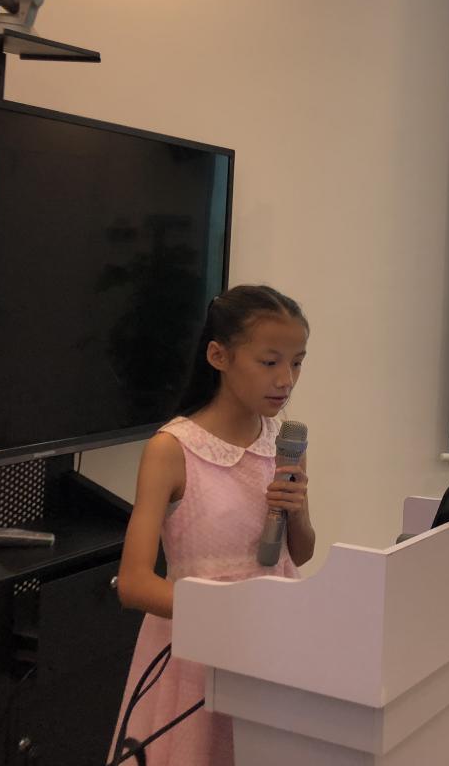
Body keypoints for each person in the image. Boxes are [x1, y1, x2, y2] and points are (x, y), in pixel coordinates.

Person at [110, 284, 315, 765]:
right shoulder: (172, 449)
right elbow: (134, 583)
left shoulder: (284, 442)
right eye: (269, 362)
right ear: (219, 356)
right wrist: (229, 614)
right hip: (197, 654)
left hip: (271, 643)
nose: (286, 379)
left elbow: (299, 554)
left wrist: (298, 511)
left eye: (297, 363)